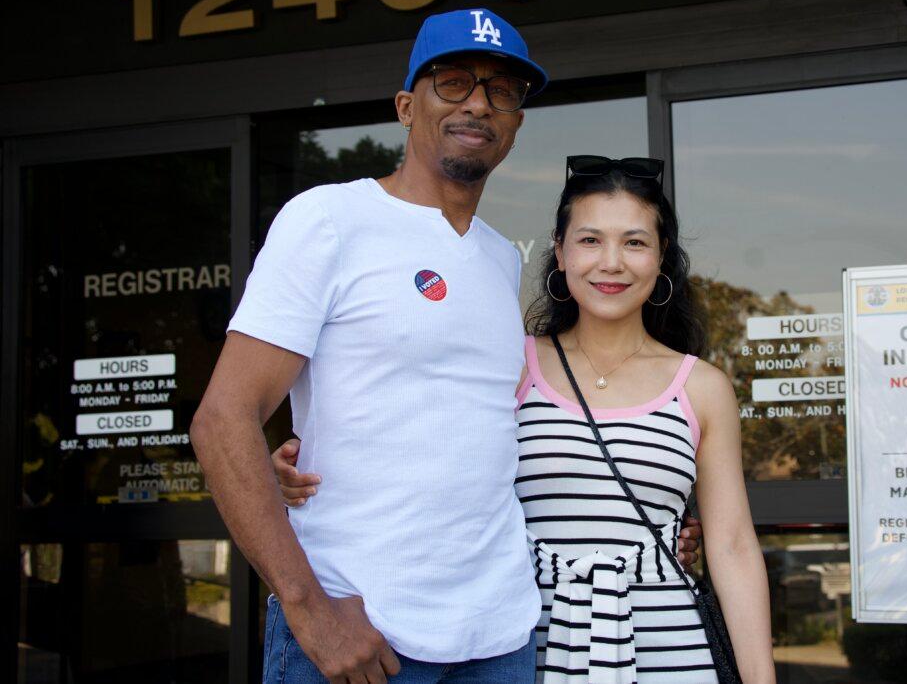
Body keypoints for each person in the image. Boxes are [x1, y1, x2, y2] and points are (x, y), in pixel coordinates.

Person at [191, 8, 697, 684]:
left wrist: (657, 518)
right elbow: (223, 419)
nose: (479, 104)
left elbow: (490, 432)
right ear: (406, 105)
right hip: (361, 632)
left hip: (499, 636)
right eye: (453, 82)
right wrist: (309, 609)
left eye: (502, 91)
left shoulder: (495, 258)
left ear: (516, 121)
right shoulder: (329, 219)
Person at [276, 156, 776, 682]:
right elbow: (417, 444)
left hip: (668, 645)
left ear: (661, 257)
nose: (611, 262)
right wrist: (296, 464)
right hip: (523, 643)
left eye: (634, 242)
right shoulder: (512, 364)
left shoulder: (703, 387)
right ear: (559, 253)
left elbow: (735, 546)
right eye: (589, 240)